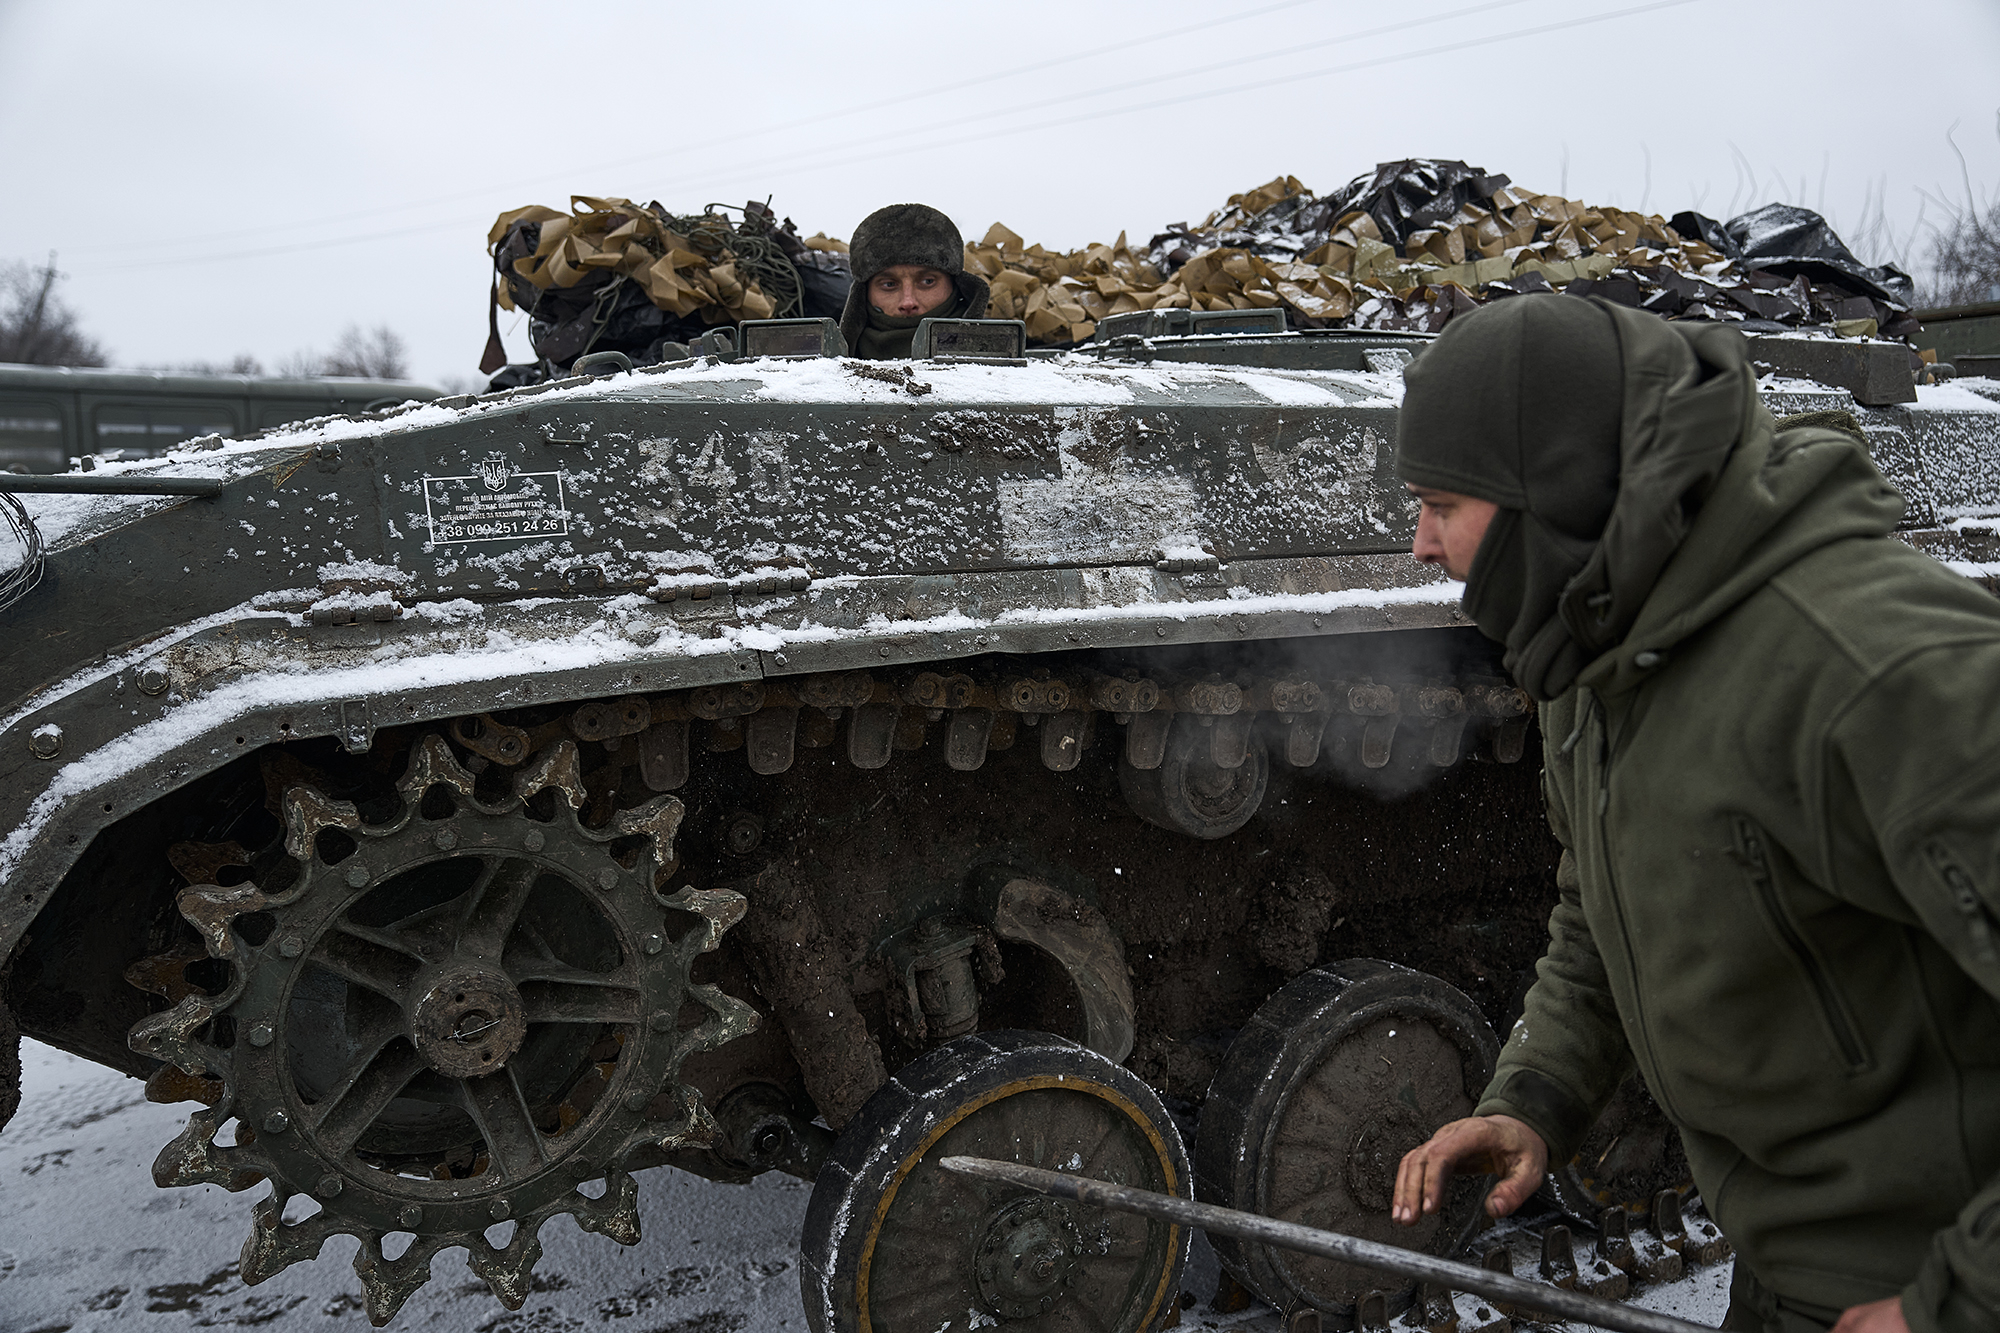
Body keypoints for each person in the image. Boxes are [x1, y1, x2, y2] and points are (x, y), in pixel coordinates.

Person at [1385, 295, 2000, 1333]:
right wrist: (1531, 1097)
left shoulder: (1876, 670)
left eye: (1443, 502)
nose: (1419, 545)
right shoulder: (1591, 650)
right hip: (1781, 1272)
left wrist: (1957, 1299)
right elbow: (1608, 900)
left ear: (1560, 491)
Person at [838, 203, 990, 360]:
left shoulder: (1005, 354)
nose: (908, 302)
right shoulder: (823, 371)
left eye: (927, 281)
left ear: (955, 285)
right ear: (863, 293)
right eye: (889, 285)